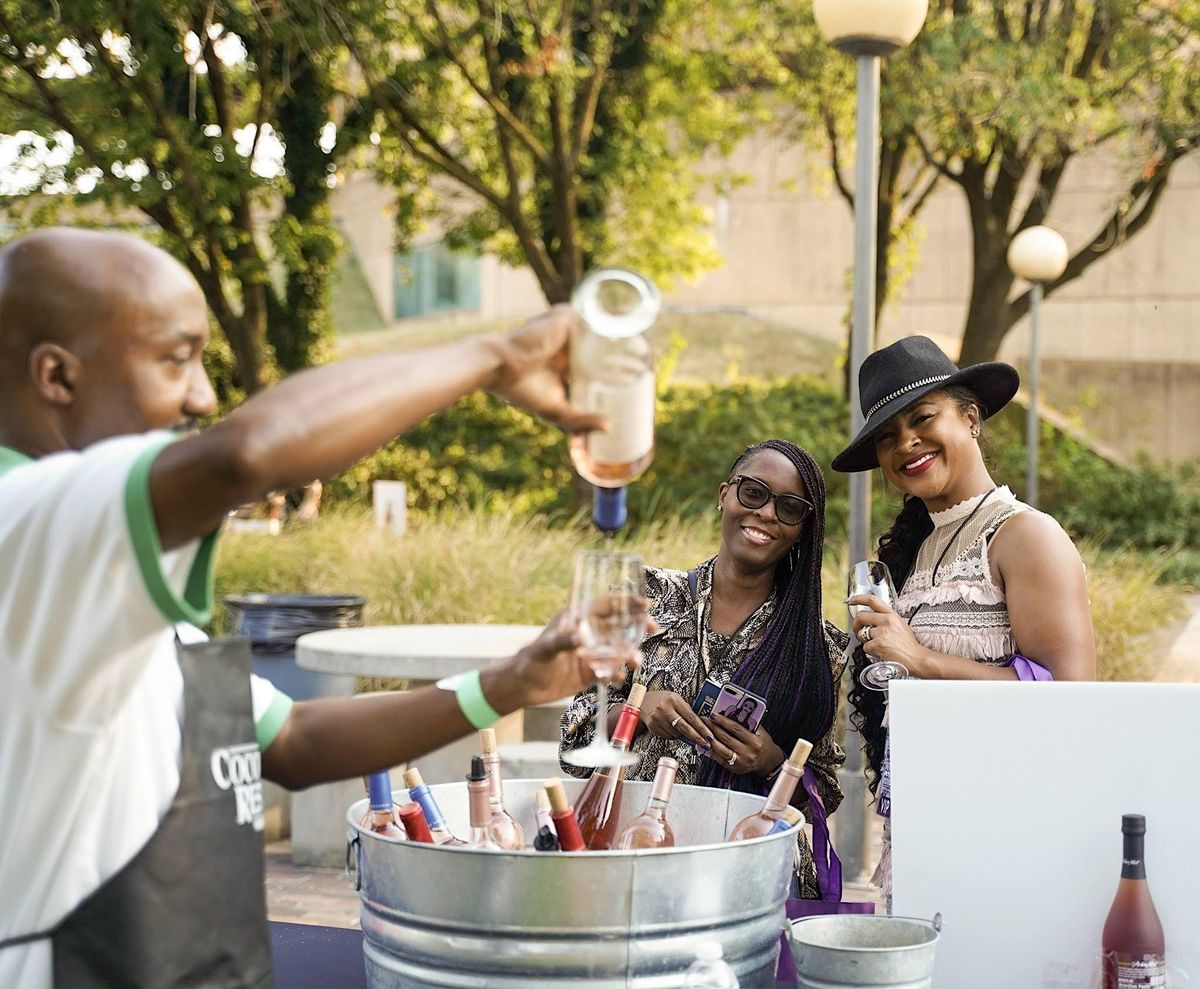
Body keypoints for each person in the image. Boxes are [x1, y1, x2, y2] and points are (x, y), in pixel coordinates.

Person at [0, 227, 640, 989]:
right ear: (56, 375)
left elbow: (291, 740)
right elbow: (243, 454)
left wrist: (509, 682)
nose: (204, 395)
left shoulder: (91, 571)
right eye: (177, 358)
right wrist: (494, 357)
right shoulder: (24, 521)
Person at [830, 334, 1096, 906]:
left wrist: (920, 657)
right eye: (887, 436)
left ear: (970, 418)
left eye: (923, 418)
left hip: (1006, 826)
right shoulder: (918, 550)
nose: (907, 443)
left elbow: (1072, 700)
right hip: (923, 823)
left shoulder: (1025, 536)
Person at [560, 439, 848, 897]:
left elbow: (824, 793)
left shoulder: (820, 646)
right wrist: (637, 709)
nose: (767, 513)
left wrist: (771, 762)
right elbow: (574, 738)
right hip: (636, 855)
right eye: (753, 493)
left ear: (803, 528)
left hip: (750, 873)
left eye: (790, 507)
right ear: (724, 495)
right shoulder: (644, 594)